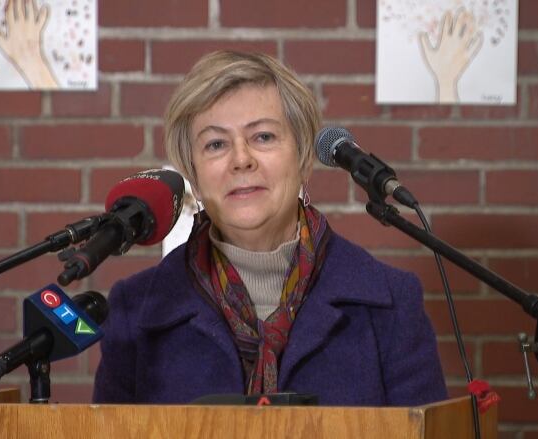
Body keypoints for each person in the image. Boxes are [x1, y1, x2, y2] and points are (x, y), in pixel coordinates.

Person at [92, 50, 447, 406]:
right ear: (194, 175)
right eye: (216, 144)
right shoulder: (135, 311)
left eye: (263, 137)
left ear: (304, 157)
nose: (241, 159)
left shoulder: (392, 303)